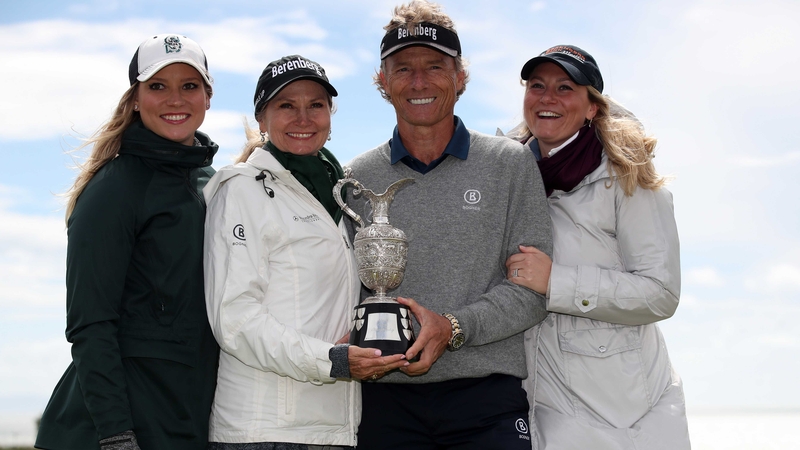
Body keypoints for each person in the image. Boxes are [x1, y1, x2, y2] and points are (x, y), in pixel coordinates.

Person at [343, 2, 552, 448]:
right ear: (383, 81)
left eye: (435, 66)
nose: (419, 82)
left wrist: (452, 329)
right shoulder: (357, 177)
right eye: (403, 69)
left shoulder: (509, 163)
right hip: (384, 404)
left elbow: (531, 294)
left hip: (487, 402)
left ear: (460, 77)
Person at [203, 55, 406, 450]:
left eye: (315, 105)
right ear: (262, 119)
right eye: (286, 106)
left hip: (332, 428)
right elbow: (235, 319)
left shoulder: (341, 194)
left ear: (330, 114)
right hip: (263, 432)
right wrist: (332, 360)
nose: (303, 118)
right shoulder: (241, 189)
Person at [35, 34, 220, 450]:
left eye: (189, 86)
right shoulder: (113, 189)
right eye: (158, 86)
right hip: (110, 430)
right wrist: (116, 435)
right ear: (136, 98)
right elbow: (89, 324)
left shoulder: (212, 184)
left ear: (208, 97)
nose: (175, 99)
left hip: (182, 422)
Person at [503, 44, 691, 449]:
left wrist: (557, 282)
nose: (547, 98)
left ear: (592, 107)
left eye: (565, 87)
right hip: (534, 405)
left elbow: (662, 293)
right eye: (537, 85)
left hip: (624, 416)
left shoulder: (629, 176)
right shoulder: (509, 176)